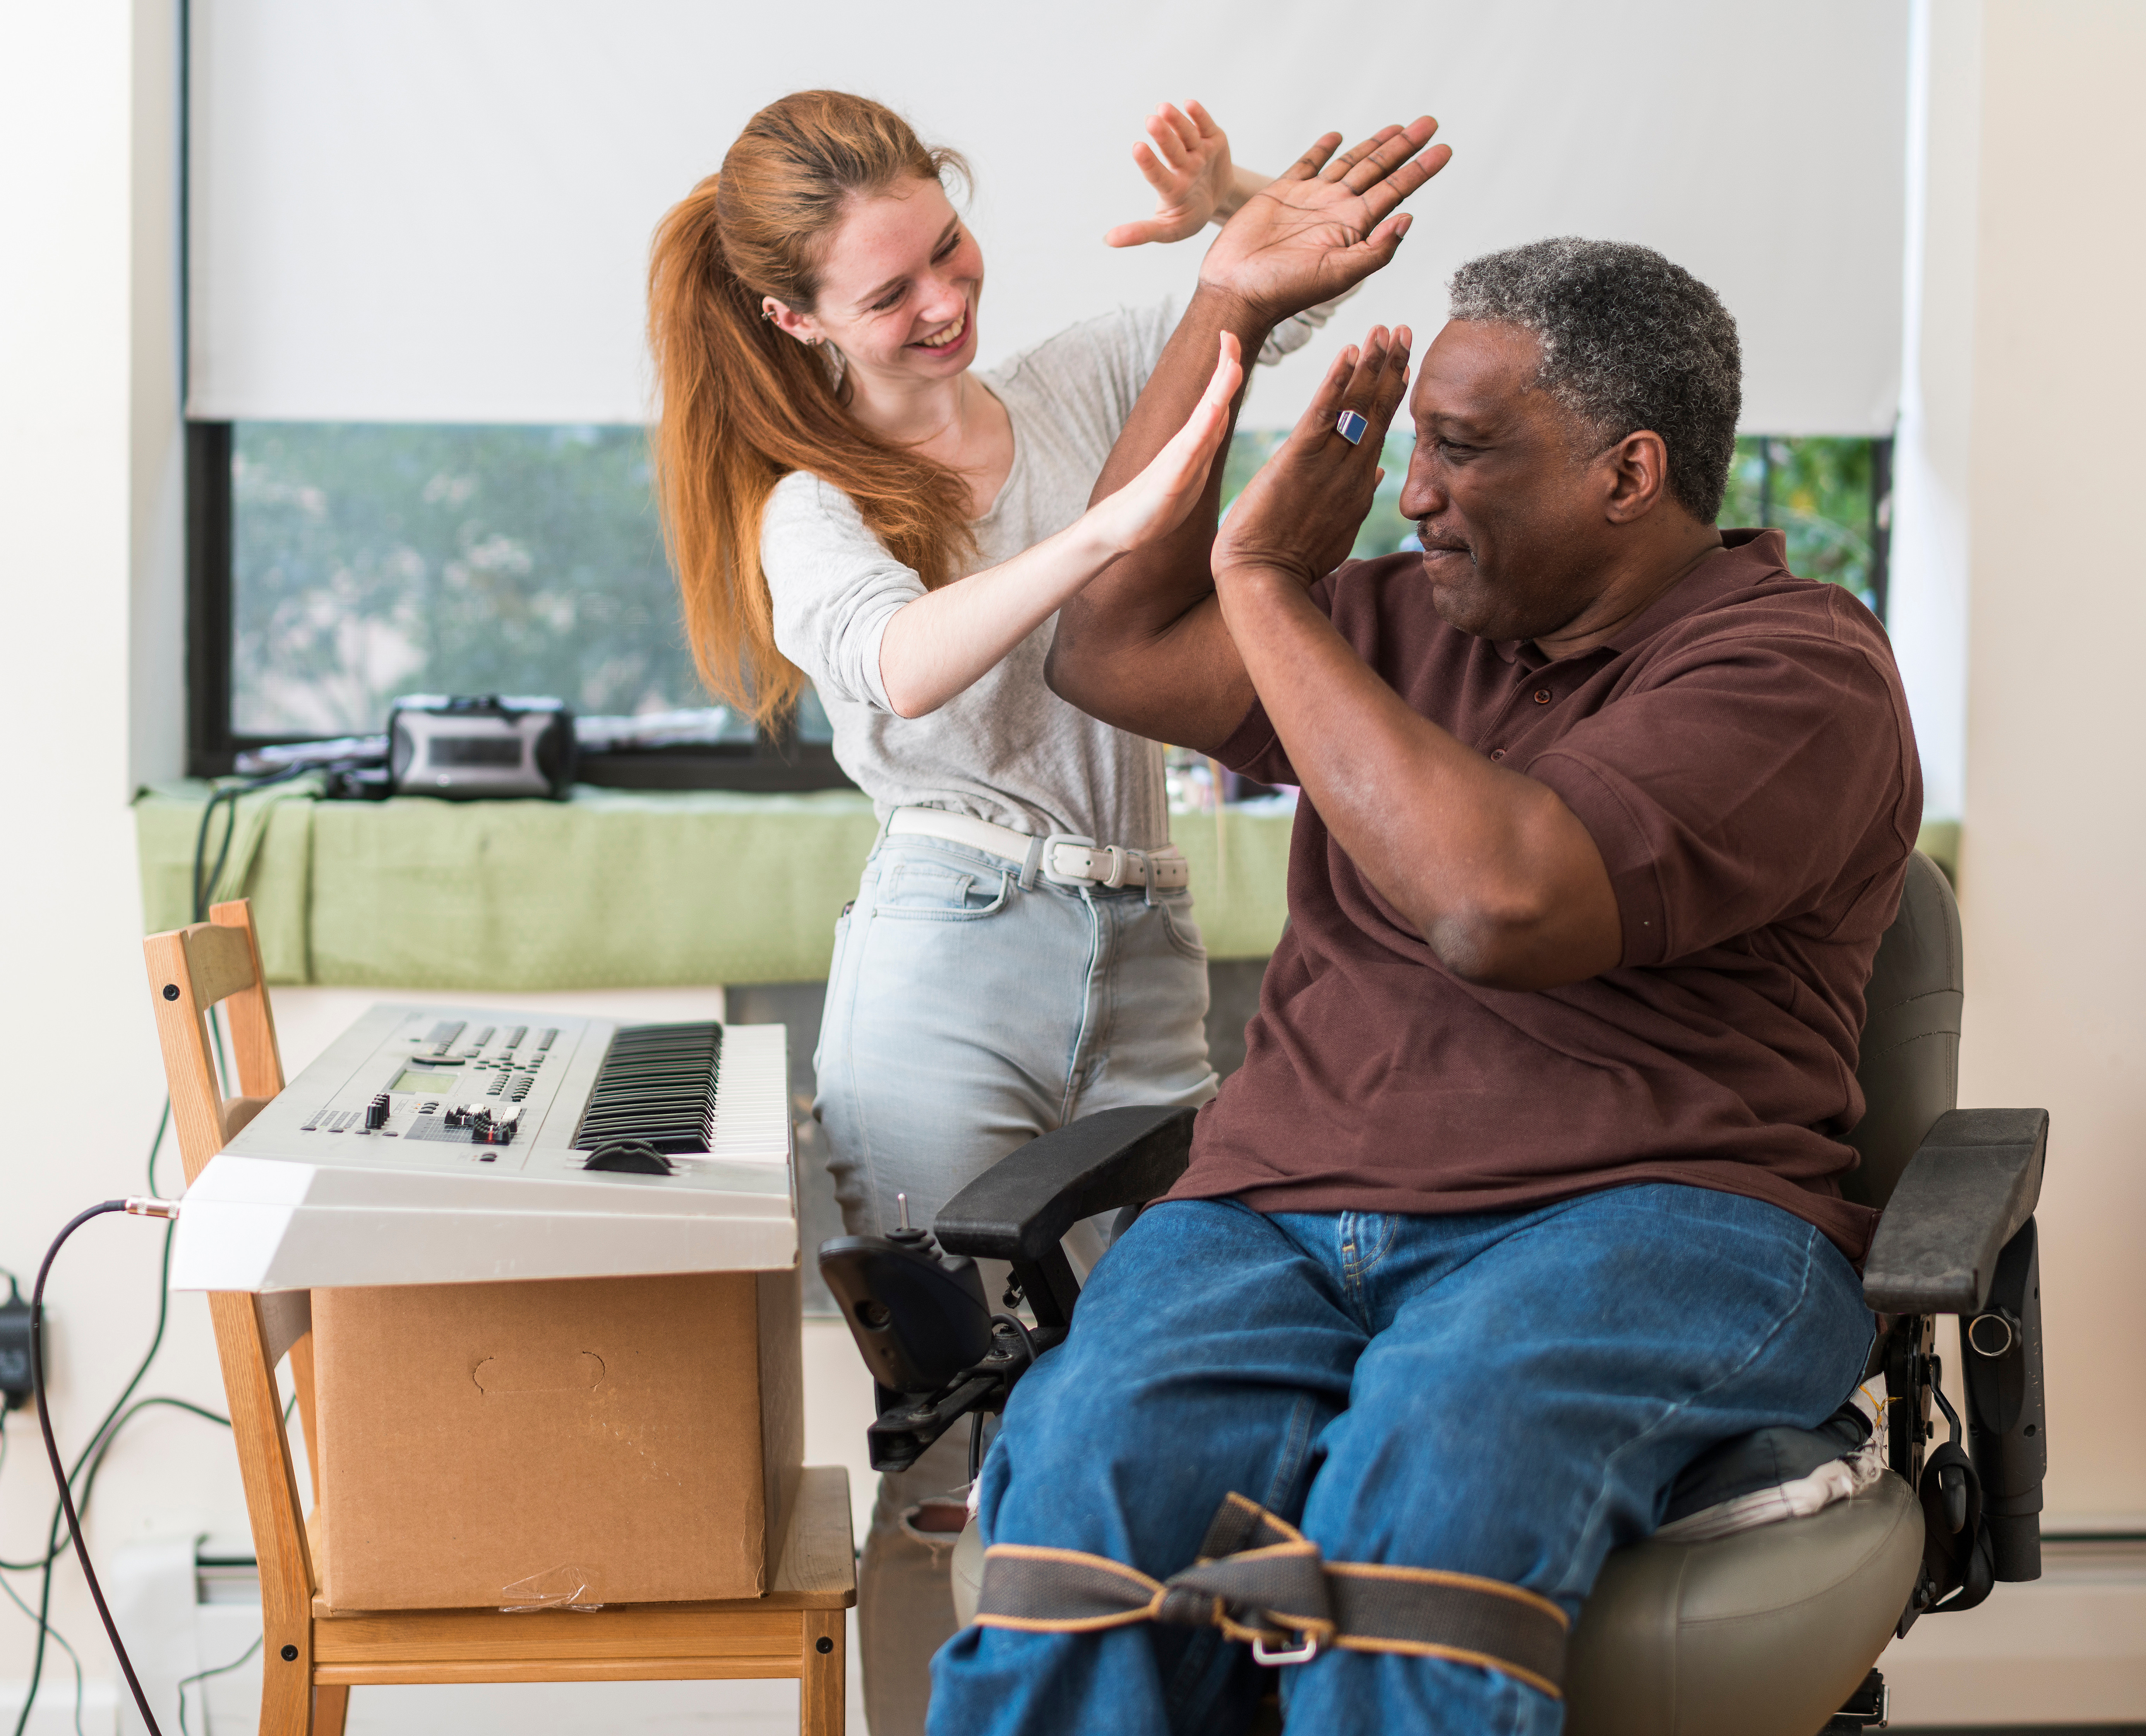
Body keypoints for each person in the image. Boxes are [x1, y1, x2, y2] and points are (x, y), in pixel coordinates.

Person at [926, 130, 1922, 1735]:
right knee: (1087, 1487)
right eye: (1412, 449)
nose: (1415, 493)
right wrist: (1227, 321)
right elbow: (1101, 646)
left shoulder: (1794, 670)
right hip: (1276, 1214)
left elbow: (1495, 902)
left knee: (1437, 1466)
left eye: (1460, 451)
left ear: (1629, 472)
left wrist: (1259, 572)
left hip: (1651, 1220)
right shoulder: (1394, 618)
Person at [644, 90, 1420, 1734]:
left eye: (947, 246)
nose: (943, 299)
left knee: (1190, 1394)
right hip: (950, 966)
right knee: (941, 1450)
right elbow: (903, 664)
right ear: (796, 320)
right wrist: (1114, 532)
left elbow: (1285, 285)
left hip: (1142, 947)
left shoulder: (1074, 381)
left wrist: (1239, 201)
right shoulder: (811, 498)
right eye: (888, 291)